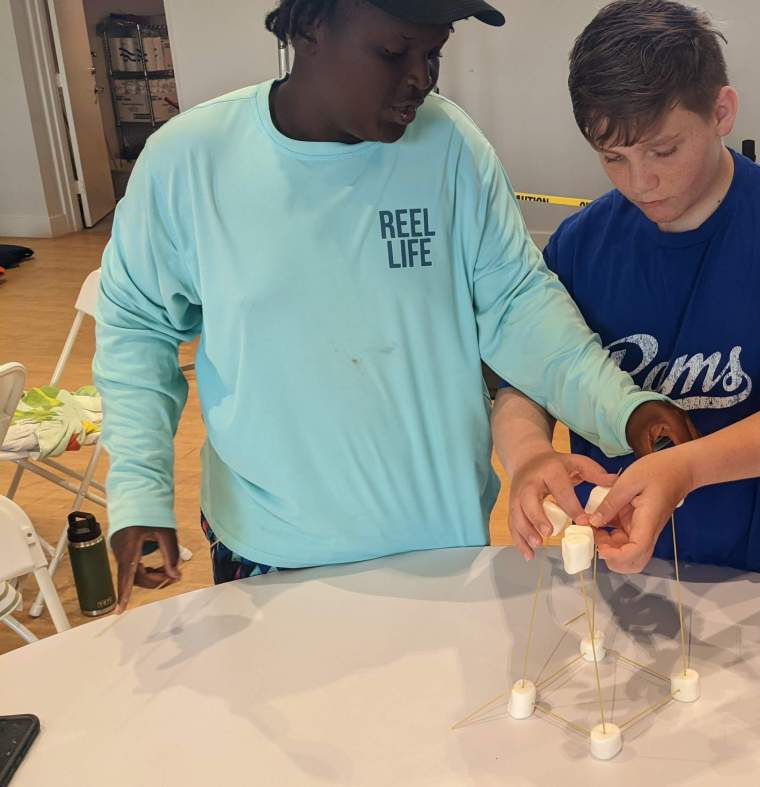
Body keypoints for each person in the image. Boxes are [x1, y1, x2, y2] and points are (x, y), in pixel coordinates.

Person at [94, 0, 692, 609]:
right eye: (393, 52)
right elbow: (136, 329)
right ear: (309, 28)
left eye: (433, 53)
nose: (421, 77)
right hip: (272, 555)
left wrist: (627, 407)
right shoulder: (189, 162)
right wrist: (140, 490)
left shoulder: (450, 146)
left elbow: (518, 306)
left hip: (441, 546)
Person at [493, 0, 760, 590]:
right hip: (617, 574)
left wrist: (685, 469)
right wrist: (527, 455)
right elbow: (524, 377)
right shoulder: (580, 243)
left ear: (721, 112)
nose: (640, 181)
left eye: (663, 150)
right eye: (613, 158)